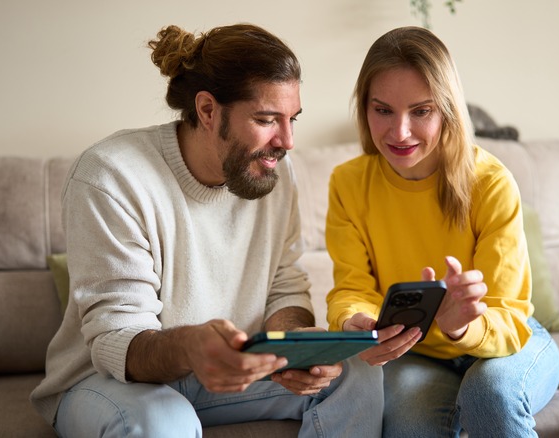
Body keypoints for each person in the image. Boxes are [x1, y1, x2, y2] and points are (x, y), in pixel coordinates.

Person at [30, 23, 383, 437]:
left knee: (358, 373)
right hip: (108, 382)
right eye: (267, 119)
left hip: (228, 373)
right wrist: (191, 347)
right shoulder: (111, 176)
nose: (286, 141)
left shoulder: (274, 172)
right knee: (163, 420)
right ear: (208, 110)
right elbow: (116, 339)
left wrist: (296, 346)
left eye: (292, 120)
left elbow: (284, 284)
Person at [325, 26, 559, 437]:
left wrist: (462, 326)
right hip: (417, 353)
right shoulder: (347, 183)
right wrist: (355, 321)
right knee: (410, 427)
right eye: (383, 110)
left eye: (421, 111)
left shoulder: (490, 182)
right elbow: (351, 286)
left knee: (488, 394)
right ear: (364, 109)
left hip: (506, 339)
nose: (400, 132)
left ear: (447, 109)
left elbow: (508, 314)